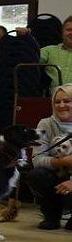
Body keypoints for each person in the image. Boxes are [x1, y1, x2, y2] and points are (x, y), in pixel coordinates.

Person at [26, 83, 72, 230]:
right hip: (55, 175)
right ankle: (51, 216)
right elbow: (37, 159)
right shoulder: (45, 124)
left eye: (67, 101)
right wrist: (63, 161)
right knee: (36, 175)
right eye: (57, 102)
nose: (61, 105)